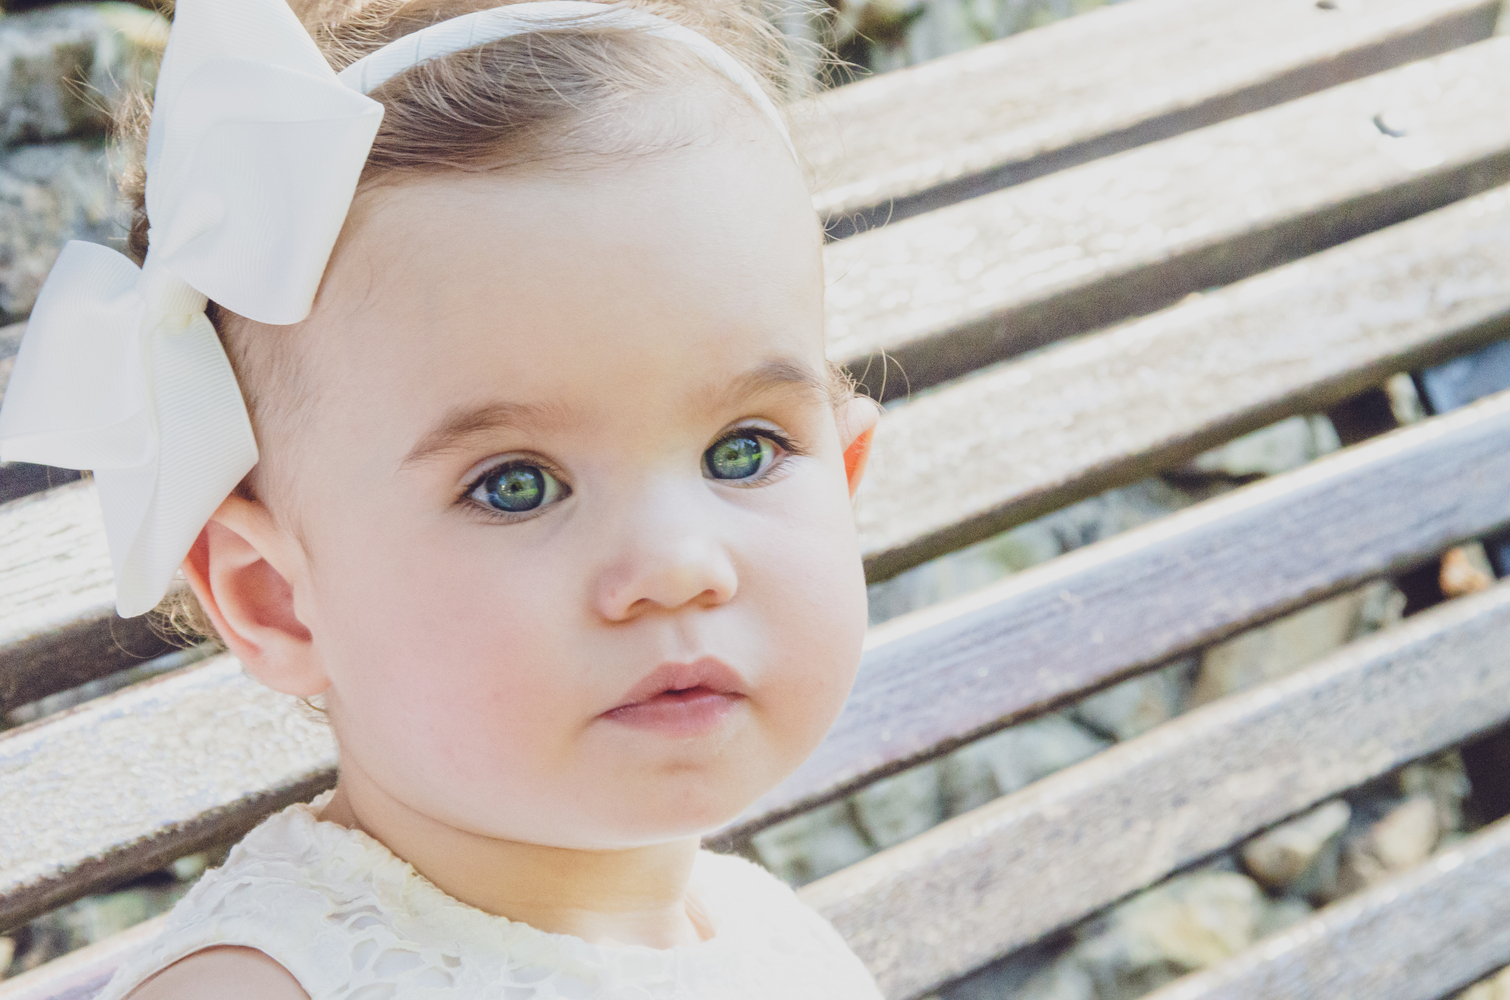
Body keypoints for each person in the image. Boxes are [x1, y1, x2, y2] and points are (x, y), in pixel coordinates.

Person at [0, 0, 883, 996]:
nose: (679, 564)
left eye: (743, 452)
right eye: (517, 486)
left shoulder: (768, 939)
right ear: (274, 597)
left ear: (847, 478)